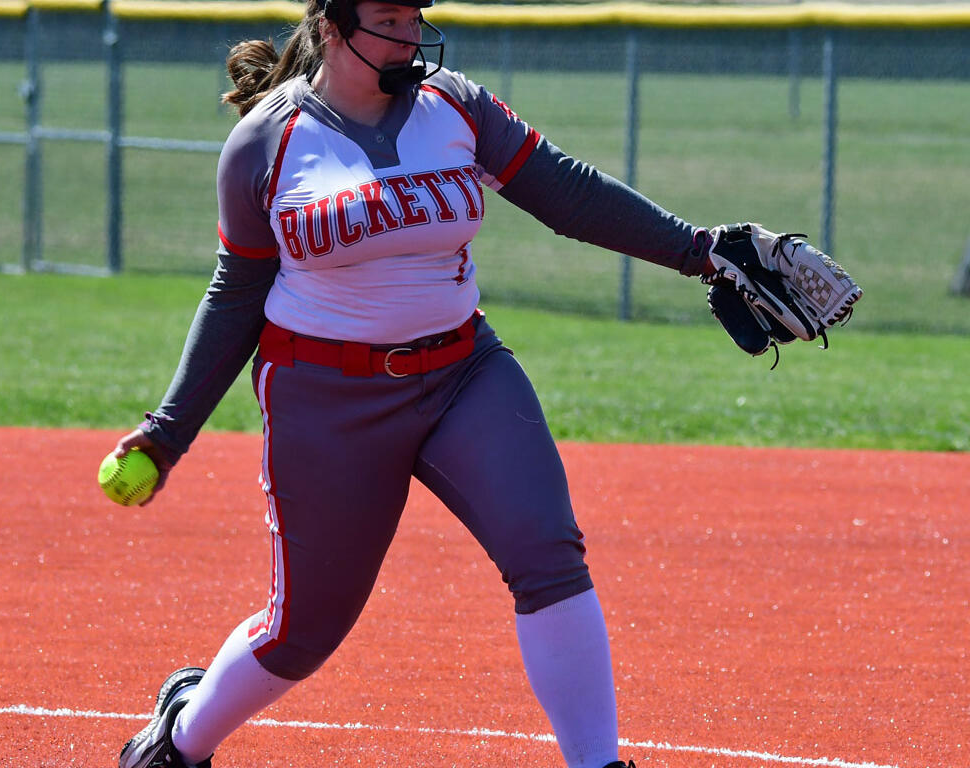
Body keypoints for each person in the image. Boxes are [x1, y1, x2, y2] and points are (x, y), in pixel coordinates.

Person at [114, 2, 718, 767]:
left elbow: (569, 193)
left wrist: (701, 251)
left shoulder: (454, 105)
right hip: (326, 396)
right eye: (389, 19)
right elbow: (236, 294)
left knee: (547, 554)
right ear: (332, 28)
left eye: (414, 16)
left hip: (464, 373)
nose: (409, 35)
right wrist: (167, 432)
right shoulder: (267, 141)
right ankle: (180, 739)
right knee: (304, 631)